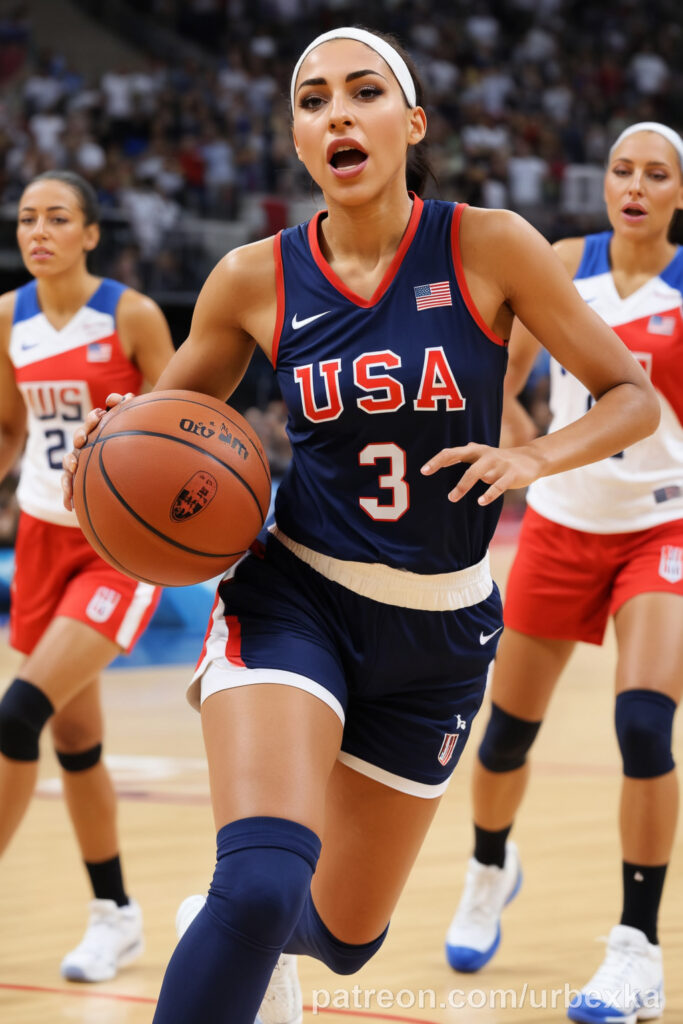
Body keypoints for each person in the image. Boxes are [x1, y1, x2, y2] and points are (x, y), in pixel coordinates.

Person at [62, 30, 659, 1024]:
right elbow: (156, 435)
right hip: (295, 594)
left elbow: (627, 397)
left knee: (343, 938)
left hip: (439, 631)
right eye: (310, 100)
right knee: (256, 883)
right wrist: (103, 453)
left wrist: (532, 456)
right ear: (297, 140)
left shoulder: (487, 244)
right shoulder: (252, 277)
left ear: (410, 122)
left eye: (362, 91)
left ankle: (257, 946)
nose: (335, 112)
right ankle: (238, 930)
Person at [445, 122, 683, 1024]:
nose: (633, 185)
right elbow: (494, 379)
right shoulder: (558, 260)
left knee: (643, 726)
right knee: (504, 735)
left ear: (675, 194)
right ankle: (486, 869)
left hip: (658, 526)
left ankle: (635, 948)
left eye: (654, 174)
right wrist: (526, 454)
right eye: (621, 169)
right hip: (556, 525)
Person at [0, 169, 174, 981]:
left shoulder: (132, 315)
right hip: (38, 535)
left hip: (116, 546)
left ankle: (112, 914)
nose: (38, 232)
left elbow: (185, 422)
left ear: (91, 233)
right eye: (28, 218)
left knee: (16, 713)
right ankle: (116, 915)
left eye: (57, 218)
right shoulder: (8, 318)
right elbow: (10, 428)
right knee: (76, 748)